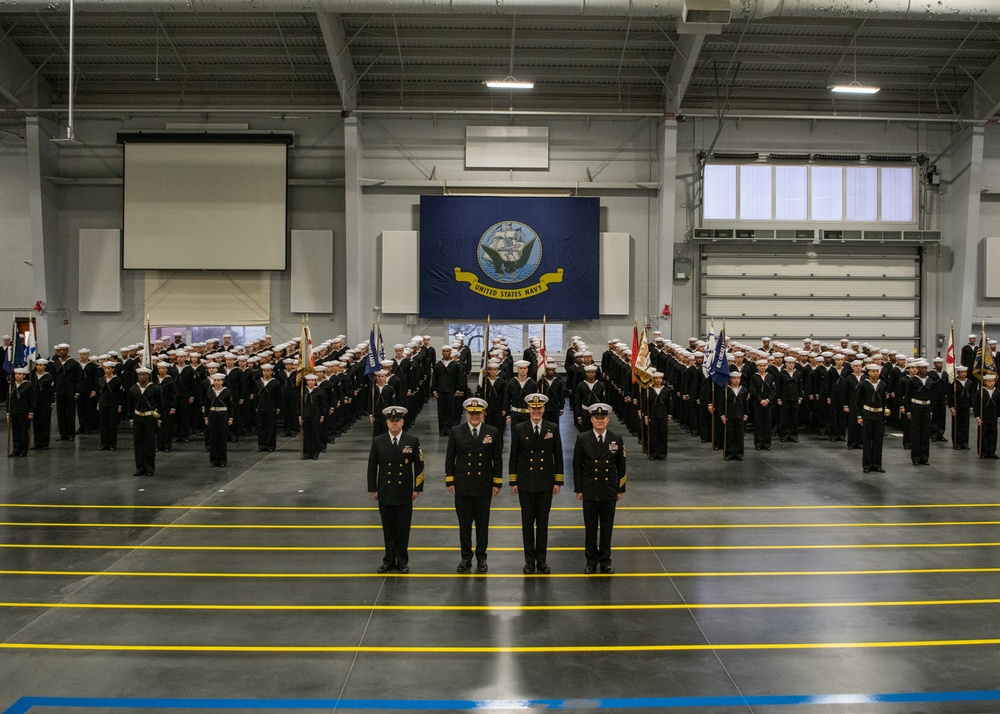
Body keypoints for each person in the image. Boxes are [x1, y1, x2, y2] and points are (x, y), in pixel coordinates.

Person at [445, 397, 503, 573]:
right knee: (464, 525)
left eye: (478, 413)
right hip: (463, 485)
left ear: (484, 413)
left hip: (483, 485)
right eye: (471, 413)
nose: (475, 416)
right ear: (466, 413)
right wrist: (450, 480)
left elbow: (497, 459)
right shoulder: (456, 431)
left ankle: (481, 557)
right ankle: (465, 557)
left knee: (482, 525)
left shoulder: (492, 432)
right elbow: (450, 458)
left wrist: (497, 482)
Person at [509, 393, 563, 574]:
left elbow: (558, 455)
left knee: (543, 523)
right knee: (527, 523)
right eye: (533, 408)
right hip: (525, 482)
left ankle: (541, 560)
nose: (536, 411)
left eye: (539, 408)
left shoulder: (552, 428)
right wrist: (513, 480)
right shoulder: (519, 428)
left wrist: (558, 480)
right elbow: (514, 456)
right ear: (528, 409)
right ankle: (529, 561)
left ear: (544, 409)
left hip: (546, 483)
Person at [367, 406, 424, 574]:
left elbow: (419, 466)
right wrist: (373, 488)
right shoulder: (378, 441)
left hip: (404, 491)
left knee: (403, 528)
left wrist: (417, 488)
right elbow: (372, 467)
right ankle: (388, 560)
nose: (394, 424)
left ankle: (402, 560)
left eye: (397, 421)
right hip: (385, 490)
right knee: (388, 528)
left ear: (402, 422)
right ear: (386, 422)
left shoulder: (412, 441)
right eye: (391, 421)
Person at [573, 403, 626, 574]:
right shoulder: (582, 439)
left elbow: (621, 465)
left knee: (606, 528)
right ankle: (590, 561)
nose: (600, 421)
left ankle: (605, 560)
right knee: (590, 528)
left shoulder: (616, 438)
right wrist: (578, 489)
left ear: (608, 420)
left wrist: (620, 488)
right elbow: (577, 466)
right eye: (597, 418)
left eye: (603, 418)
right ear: (591, 420)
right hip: (590, 489)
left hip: (608, 489)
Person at [854, 363, 888, 473]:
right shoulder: (863, 384)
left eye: (877, 371)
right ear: (868, 373)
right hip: (867, 414)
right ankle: (867, 465)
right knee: (867, 440)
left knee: (878, 441)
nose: (875, 373)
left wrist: (883, 417)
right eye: (873, 371)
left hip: (878, 415)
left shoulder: (882, 384)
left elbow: (883, 401)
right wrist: (859, 416)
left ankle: (877, 464)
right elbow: (858, 401)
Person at [128, 366, 160, 477]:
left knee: (150, 444)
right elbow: (130, 405)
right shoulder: (133, 389)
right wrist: (131, 419)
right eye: (140, 374)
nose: (142, 376)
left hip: (149, 418)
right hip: (138, 418)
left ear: (148, 376)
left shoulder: (154, 388)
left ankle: (149, 468)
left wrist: (159, 418)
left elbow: (160, 404)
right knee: (138, 443)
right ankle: (139, 467)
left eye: (144, 374)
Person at [905, 359, 933, 465]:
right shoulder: (912, 381)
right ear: (918, 369)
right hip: (916, 407)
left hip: (926, 407)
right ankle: (916, 457)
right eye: (922, 368)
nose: (924, 370)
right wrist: (908, 411)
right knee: (916, 433)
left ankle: (924, 457)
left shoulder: (930, 381)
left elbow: (932, 397)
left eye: (925, 368)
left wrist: (931, 411)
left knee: (925, 433)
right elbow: (907, 397)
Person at [204, 372, 234, 467]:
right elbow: (207, 405)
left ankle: (222, 460)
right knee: (213, 437)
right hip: (212, 414)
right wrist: (206, 417)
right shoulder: (209, 391)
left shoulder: (227, 392)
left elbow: (231, 405)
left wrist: (231, 417)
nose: (216, 382)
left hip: (223, 415)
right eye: (215, 380)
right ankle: (213, 460)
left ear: (222, 381)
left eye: (218, 381)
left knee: (222, 437)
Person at [718, 371, 749, 461]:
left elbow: (746, 404)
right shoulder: (726, 390)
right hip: (729, 416)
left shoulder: (743, 390)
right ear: (731, 379)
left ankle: (739, 454)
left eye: (738, 378)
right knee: (729, 435)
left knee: (739, 436)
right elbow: (721, 403)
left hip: (739, 416)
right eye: (734, 378)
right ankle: (729, 453)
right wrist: (722, 415)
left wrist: (746, 414)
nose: (736, 380)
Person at [253, 363, 281, 452]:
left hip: (271, 407)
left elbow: (278, 396)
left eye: (268, 371)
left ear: (271, 372)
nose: (266, 372)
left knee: (271, 427)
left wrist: (278, 407)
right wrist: (256, 406)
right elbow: (255, 396)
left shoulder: (275, 382)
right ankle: (262, 445)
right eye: (264, 371)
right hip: (261, 407)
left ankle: (270, 445)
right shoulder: (258, 382)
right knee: (261, 426)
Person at [96, 360, 123, 451]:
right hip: (103, 403)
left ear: (112, 369)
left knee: (112, 424)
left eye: (108, 368)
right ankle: (104, 443)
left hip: (113, 404)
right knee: (103, 424)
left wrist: (119, 405)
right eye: (105, 368)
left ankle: (112, 443)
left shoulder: (117, 380)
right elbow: (98, 393)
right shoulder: (101, 379)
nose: (106, 370)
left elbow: (120, 394)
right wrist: (98, 403)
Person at [300, 372, 327, 460]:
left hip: (315, 415)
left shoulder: (319, 391)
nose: (310, 382)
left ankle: (315, 452)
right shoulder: (303, 391)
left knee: (315, 434)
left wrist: (322, 415)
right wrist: (300, 416)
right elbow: (299, 404)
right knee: (306, 434)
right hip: (306, 415)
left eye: (312, 380)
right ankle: (306, 452)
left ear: (315, 381)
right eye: (308, 380)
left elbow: (322, 404)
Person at [7, 368, 33, 457]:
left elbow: (32, 399)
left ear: (24, 375)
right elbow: (8, 400)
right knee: (15, 431)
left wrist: (31, 412)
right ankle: (16, 449)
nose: (17, 376)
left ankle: (23, 450)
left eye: (19, 374)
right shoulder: (12, 385)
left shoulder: (28, 385)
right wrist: (8, 412)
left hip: (24, 411)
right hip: (14, 411)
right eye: (16, 374)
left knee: (23, 432)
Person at [974, 373, 1000, 459]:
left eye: (993, 381)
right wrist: (977, 416)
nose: (992, 383)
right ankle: (983, 451)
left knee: (993, 433)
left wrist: (999, 416)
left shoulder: (997, 392)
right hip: (984, 416)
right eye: (989, 381)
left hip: (993, 416)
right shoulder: (981, 392)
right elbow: (976, 405)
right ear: (985, 382)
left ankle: (991, 451)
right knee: (983, 434)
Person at [30, 359, 53, 450]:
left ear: (44, 366)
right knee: (36, 423)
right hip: (35, 402)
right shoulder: (32, 376)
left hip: (45, 402)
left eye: (41, 365)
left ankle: (44, 443)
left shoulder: (48, 377)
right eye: (37, 365)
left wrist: (52, 401)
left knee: (45, 422)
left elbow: (51, 390)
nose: (38, 367)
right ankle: (37, 442)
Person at [948, 365, 973, 450]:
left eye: (965, 372)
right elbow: (949, 396)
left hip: (966, 406)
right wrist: (951, 407)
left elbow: (972, 396)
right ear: (958, 373)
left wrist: (971, 407)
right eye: (961, 372)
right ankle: (957, 443)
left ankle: (964, 442)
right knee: (956, 425)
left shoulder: (969, 383)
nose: (963, 374)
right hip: (957, 407)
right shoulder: (954, 383)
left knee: (965, 425)